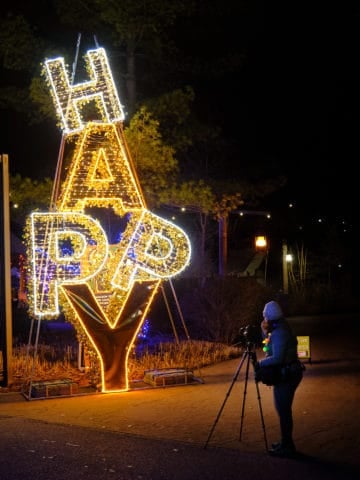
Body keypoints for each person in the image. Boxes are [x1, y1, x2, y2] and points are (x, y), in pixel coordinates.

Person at [257, 300, 304, 457]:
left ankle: (287, 446)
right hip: (288, 373)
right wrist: (265, 331)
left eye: (265, 316)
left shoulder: (279, 332)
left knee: (283, 410)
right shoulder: (279, 327)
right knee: (282, 409)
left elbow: (276, 358)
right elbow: (269, 346)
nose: (263, 319)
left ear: (269, 316)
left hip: (288, 374)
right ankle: (285, 442)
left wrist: (260, 364)